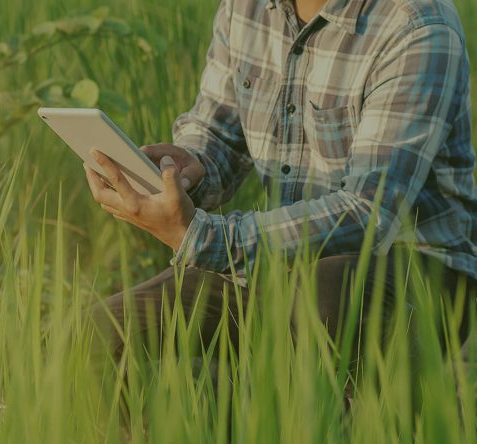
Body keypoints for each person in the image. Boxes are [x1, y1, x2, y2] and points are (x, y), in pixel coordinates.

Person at [85, 0, 477, 368]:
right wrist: (186, 171)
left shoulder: (417, 26)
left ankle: (391, 420)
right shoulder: (246, 7)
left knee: (329, 298)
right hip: (278, 257)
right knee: (92, 339)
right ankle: (224, 425)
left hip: (414, 268)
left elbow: (368, 214)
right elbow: (218, 131)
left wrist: (207, 239)